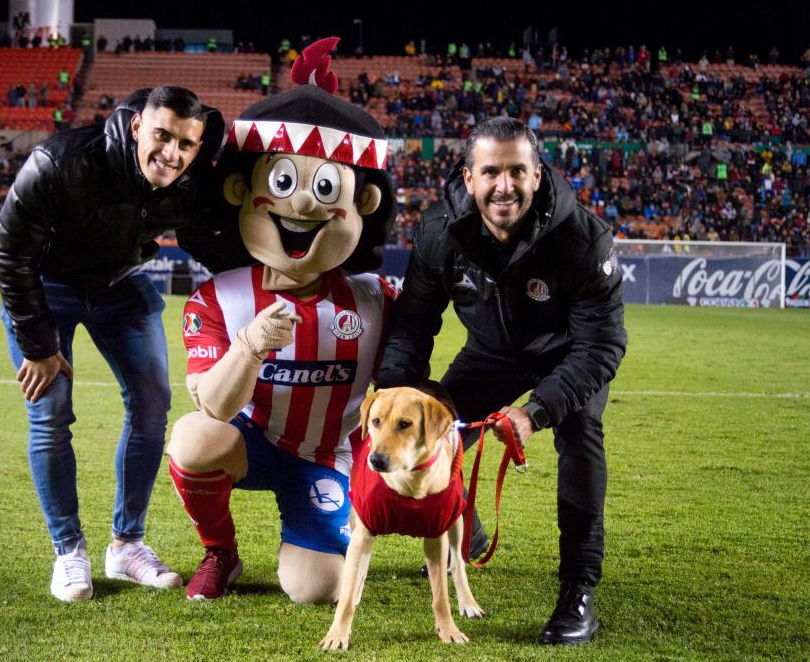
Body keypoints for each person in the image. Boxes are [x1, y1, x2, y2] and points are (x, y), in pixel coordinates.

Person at [377, 116, 627, 645]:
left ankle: (578, 589)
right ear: (469, 178)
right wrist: (395, 390)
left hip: (566, 356)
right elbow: (413, 324)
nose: (504, 186)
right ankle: (462, 533)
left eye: (518, 171)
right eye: (491, 171)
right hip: (490, 354)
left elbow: (600, 347)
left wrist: (536, 411)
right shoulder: (439, 232)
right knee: (434, 424)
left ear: (538, 175)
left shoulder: (583, 239)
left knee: (581, 438)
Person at [167, 38, 397, 604]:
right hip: (248, 440)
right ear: (244, 195)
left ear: (361, 204)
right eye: (283, 186)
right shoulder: (216, 299)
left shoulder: (377, 299)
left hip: (325, 454)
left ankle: (324, 525)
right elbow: (215, 408)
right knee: (193, 437)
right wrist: (248, 347)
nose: (303, 208)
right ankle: (220, 550)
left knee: (315, 591)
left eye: (326, 191)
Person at [0, 86, 225, 602]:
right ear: (137, 125)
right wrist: (38, 343)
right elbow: (8, 253)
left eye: (187, 144)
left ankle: (126, 546)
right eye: (163, 136)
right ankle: (68, 550)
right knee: (50, 412)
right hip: (46, 287)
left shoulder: (193, 176)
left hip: (118, 283)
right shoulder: (59, 161)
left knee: (152, 404)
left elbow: (204, 236)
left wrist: (264, 275)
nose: (173, 154)